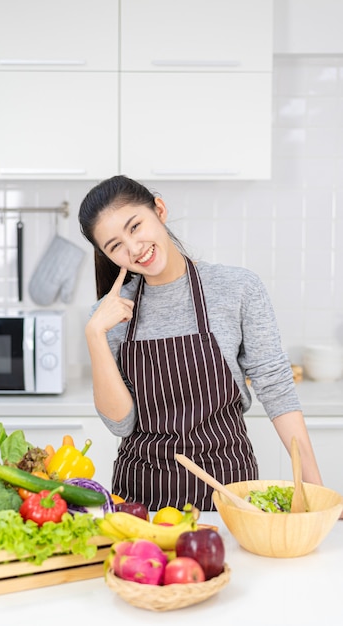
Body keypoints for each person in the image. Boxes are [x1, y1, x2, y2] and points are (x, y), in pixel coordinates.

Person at [78, 174, 323, 511]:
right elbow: (120, 424)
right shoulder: (109, 316)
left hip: (229, 492)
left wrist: (313, 484)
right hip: (142, 500)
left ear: (159, 210)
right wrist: (95, 335)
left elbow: (275, 386)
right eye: (115, 245)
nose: (134, 249)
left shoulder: (236, 289)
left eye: (135, 227)